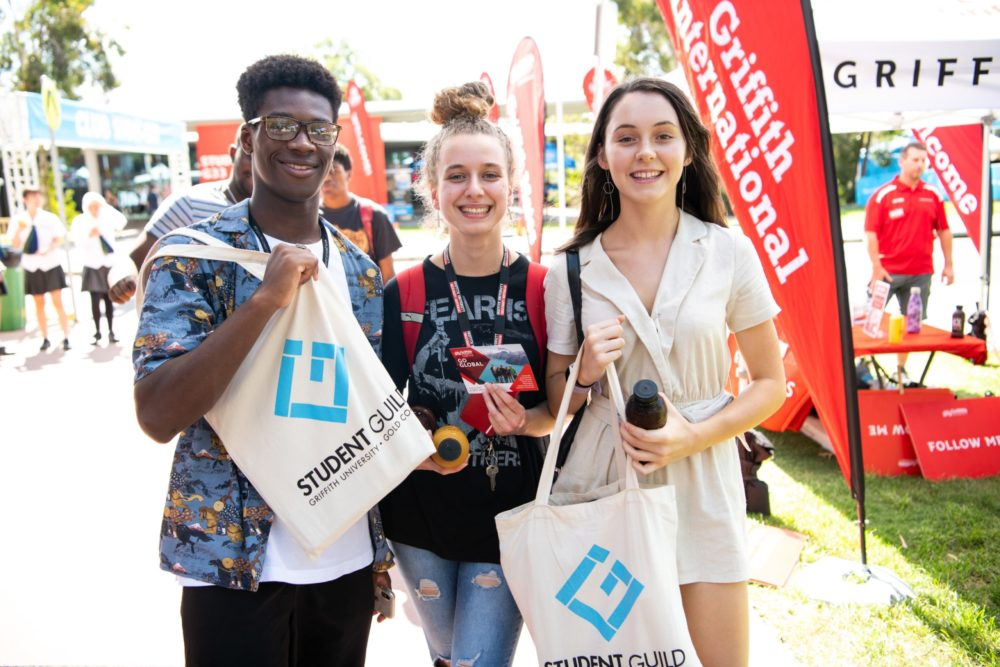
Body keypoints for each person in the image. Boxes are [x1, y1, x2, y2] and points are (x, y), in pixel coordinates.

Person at [133, 55, 391, 667]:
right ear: (248, 137)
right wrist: (266, 301)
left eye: (318, 129)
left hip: (344, 559)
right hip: (233, 563)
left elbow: (363, 413)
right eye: (281, 125)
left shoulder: (359, 273)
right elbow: (156, 412)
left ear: (334, 143)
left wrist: (380, 559)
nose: (301, 142)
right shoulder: (192, 256)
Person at [543, 78, 785, 667]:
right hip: (604, 482)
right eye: (626, 138)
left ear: (689, 150)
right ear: (602, 155)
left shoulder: (729, 252)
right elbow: (557, 398)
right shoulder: (571, 270)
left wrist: (694, 436)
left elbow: (770, 382)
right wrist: (583, 371)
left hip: (703, 482)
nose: (644, 152)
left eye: (662, 136)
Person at [379, 82, 553, 667]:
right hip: (418, 518)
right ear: (432, 189)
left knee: (477, 661)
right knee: (448, 657)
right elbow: (380, 409)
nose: (474, 190)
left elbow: (558, 408)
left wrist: (527, 421)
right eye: (456, 175)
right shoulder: (403, 293)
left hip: (510, 516)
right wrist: (412, 444)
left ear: (512, 186)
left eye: (490, 174)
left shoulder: (545, 289)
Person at [109, 133, 253, 303]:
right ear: (232, 153)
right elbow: (133, 258)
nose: (256, 166)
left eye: (262, 158)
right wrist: (123, 278)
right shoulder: (191, 203)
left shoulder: (285, 212)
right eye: (249, 156)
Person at [865, 140, 954, 379]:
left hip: (921, 272)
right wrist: (876, 267)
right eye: (915, 160)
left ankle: (900, 372)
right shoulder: (883, 195)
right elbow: (870, 233)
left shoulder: (932, 194)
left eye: (923, 160)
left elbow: (944, 230)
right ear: (902, 161)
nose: (920, 165)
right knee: (869, 322)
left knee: (911, 326)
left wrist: (949, 264)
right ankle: (864, 372)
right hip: (887, 272)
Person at [320, 145, 401, 280]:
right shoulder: (310, 218)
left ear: (349, 174)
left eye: (334, 171)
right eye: (322, 172)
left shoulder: (374, 215)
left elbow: (388, 275)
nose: (327, 178)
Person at [9, 189, 72, 351]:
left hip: (50, 264)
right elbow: (14, 245)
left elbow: (58, 237)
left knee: (58, 301)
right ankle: (45, 338)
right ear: (25, 199)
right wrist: (19, 230)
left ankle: (66, 336)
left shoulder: (49, 218)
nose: (36, 200)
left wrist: (49, 249)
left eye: (38, 196)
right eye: (32, 197)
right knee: (39, 303)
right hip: (31, 266)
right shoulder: (18, 220)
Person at [70, 192, 126, 344]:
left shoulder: (107, 219)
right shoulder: (80, 221)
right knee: (94, 300)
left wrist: (106, 206)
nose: (95, 209)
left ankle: (111, 331)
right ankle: (97, 331)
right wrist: (89, 235)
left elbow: (122, 221)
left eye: (97, 206)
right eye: (92, 206)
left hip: (107, 264)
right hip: (91, 264)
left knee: (109, 299)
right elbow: (76, 242)